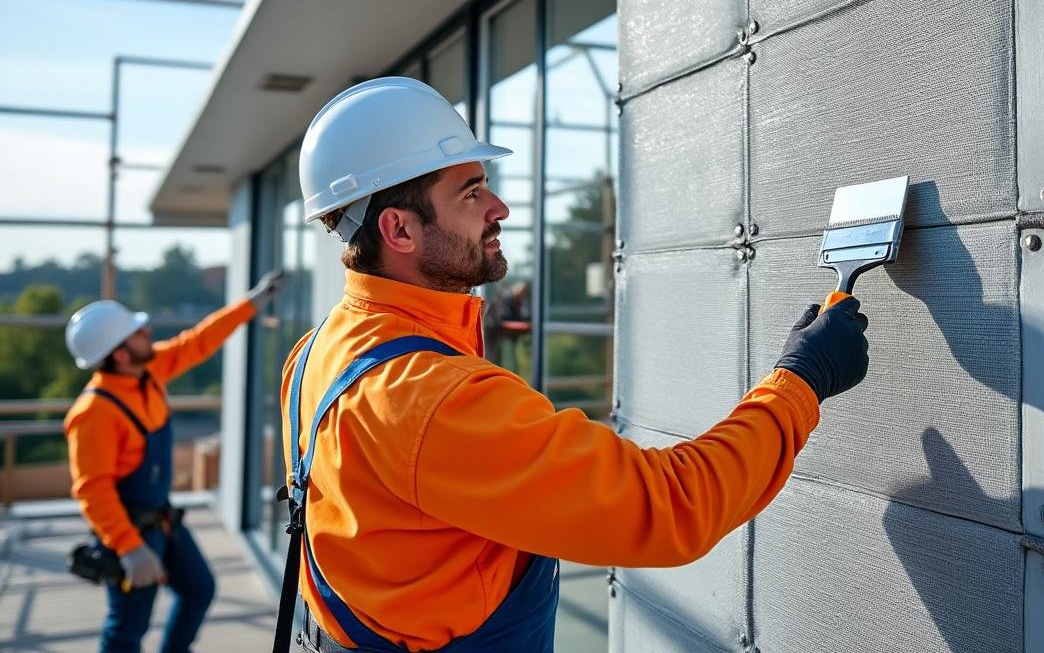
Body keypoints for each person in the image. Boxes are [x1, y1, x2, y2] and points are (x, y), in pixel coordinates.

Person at [277, 77, 869, 652]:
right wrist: (802, 380)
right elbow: (670, 506)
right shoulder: (431, 398)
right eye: (471, 192)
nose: (500, 207)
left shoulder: (315, 353)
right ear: (398, 228)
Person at [64, 270, 284, 653]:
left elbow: (196, 343)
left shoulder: (146, 371)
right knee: (126, 630)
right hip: (128, 532)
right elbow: (93, 489)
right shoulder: (94, 413)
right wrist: (130, 548)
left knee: (199, 590)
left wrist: (252, 302)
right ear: (119, 354)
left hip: (161, 520)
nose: (147, 333)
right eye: (137, 333)